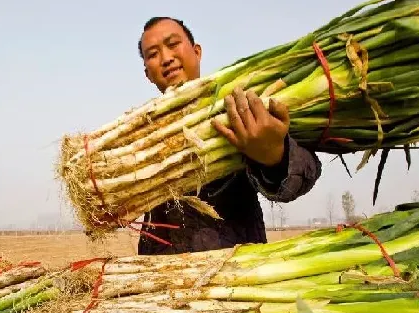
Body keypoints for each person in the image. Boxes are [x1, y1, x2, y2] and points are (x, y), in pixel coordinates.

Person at [136, 16, 322, 255]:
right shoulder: (144, 135)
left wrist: (275, 157)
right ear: (147, 74)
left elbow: (306, 169)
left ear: (197, 52)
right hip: (158, 281)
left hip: (231, 274)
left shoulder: (236, 107)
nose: (166, 58)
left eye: (173, 44)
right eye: (153, 54)